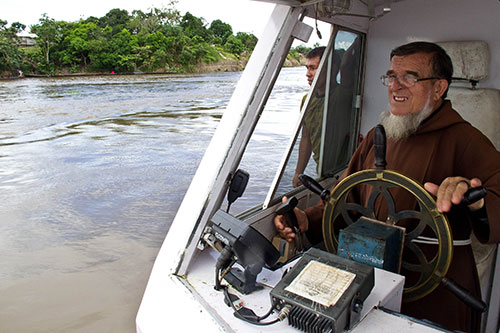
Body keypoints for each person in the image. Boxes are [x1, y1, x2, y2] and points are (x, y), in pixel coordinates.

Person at [275, 41, 500, 332]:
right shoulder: (377, 135)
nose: (395, 86)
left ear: (439, 88)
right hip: (369, 279)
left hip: (432, 289)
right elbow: (345, 196)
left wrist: (476, 200)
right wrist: (308, 218)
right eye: (391, 76)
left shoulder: (466, 139)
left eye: (409, 77)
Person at [292, 47, 341, 188]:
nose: (308, 74)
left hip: (342, 171)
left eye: (313, 68)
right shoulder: (306, 100)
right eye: (307, 68)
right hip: (322, 171)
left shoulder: (341, 96)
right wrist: (298, 173)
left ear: (332, 69)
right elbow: (306, 137)